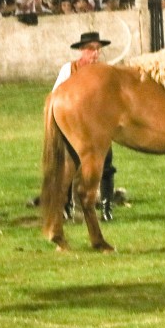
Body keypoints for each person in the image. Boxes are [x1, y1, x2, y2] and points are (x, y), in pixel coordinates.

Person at [53, 32, 117, 220]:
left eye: (97, 49)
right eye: (90, 49)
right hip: (75, 124)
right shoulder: (68, 69)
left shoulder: (104, 71)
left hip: (99, 125)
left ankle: (106, 208)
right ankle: (65, 206)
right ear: (82, 51)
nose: (95, 53)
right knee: (69, 165)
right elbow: (57, 94)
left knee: (106, 165)